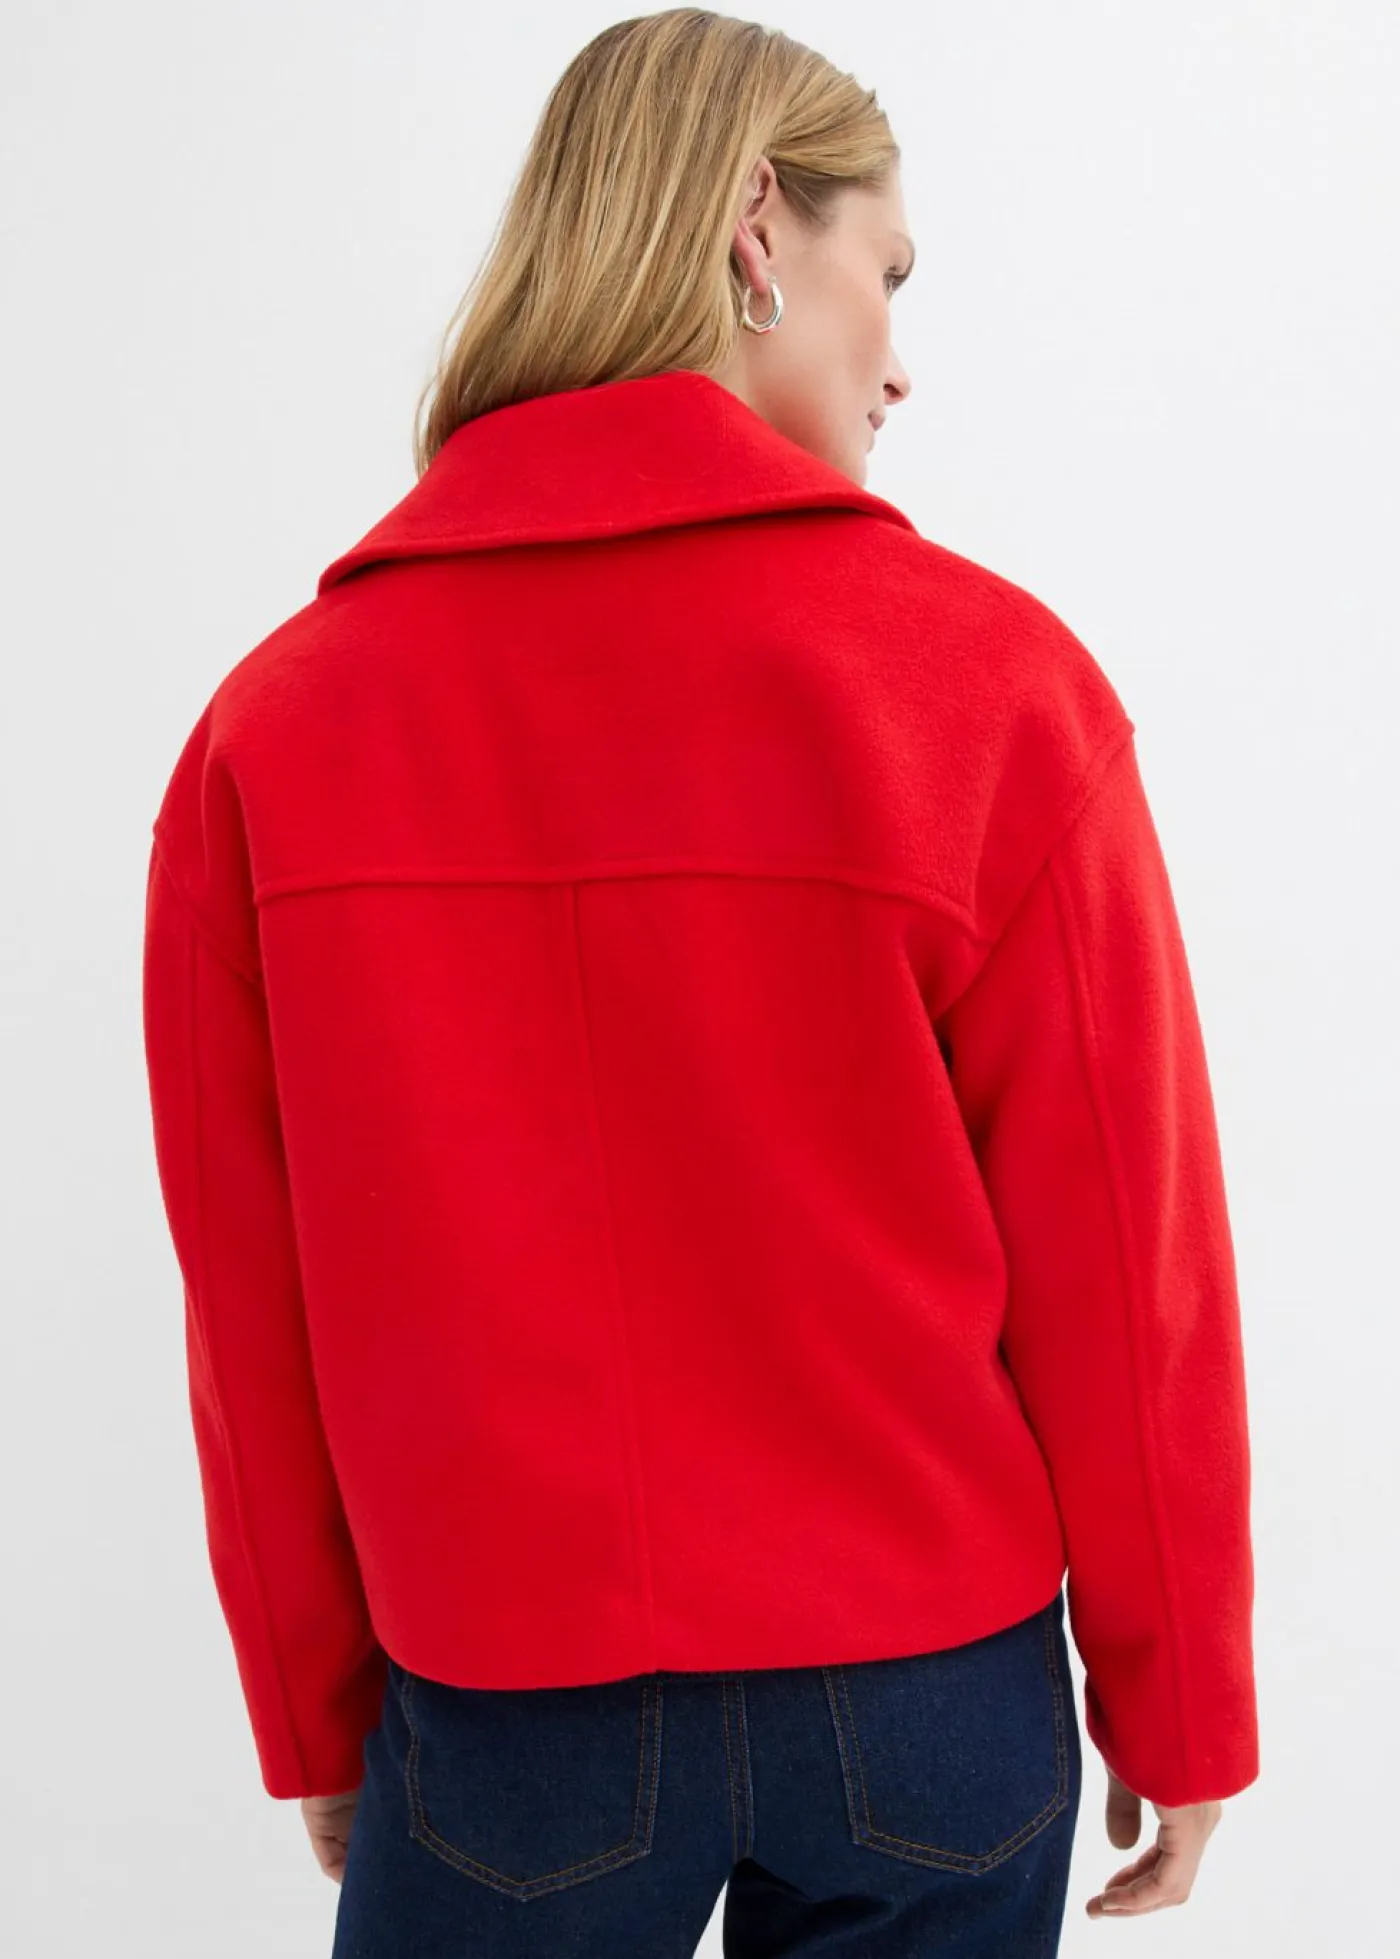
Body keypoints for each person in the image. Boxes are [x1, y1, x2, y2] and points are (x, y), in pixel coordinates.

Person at [140, 9, 1258, 1954]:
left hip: (512, 1711)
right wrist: (1184, 1698)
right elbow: (1123, 1244)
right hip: (931, 1693)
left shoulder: (276, 731)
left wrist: (312, 1701)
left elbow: (254, 1295)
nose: (897, 359)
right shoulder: (993, 688)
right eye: (884, 272)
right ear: (757, 228)